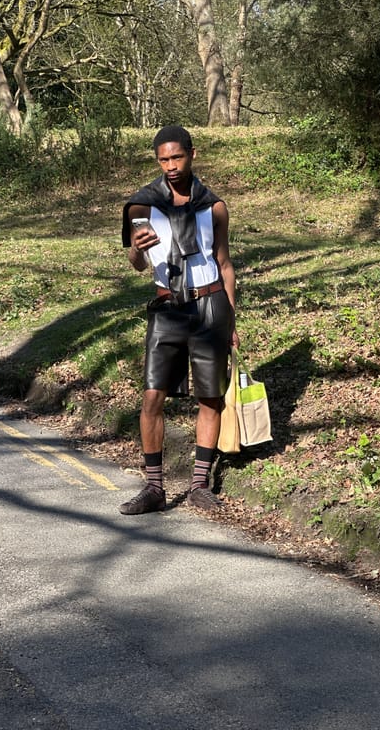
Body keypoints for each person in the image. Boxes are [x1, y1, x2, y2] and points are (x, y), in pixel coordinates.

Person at [118, 125, 239, 515]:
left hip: (209, 306)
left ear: (192, 154)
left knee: (210, 396)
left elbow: (224, 264)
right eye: (163, 159)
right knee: (153, 396)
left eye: (177, 157)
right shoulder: (141, 205)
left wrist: (232, 320)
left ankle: (200, 485)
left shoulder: (214, 206)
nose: (170, 166)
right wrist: (136, 251)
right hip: (167, 308)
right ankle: (154, 488)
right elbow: (138, 265)